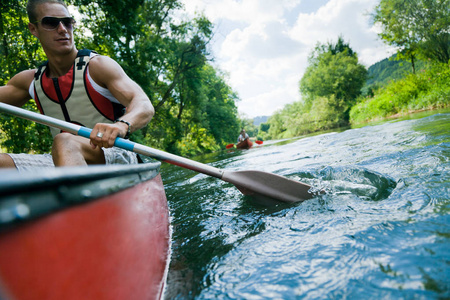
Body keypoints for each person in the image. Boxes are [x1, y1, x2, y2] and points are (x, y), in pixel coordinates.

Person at [0, 0, 154, 170]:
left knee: (64, 140)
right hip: (64, 156)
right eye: (51, 23)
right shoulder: (30, 81)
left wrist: (121, 125)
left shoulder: (98, 66)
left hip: (116, 154)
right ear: (33, 29)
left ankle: (77, 194)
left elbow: (143, 104)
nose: (62, 29)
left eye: (67, 22)